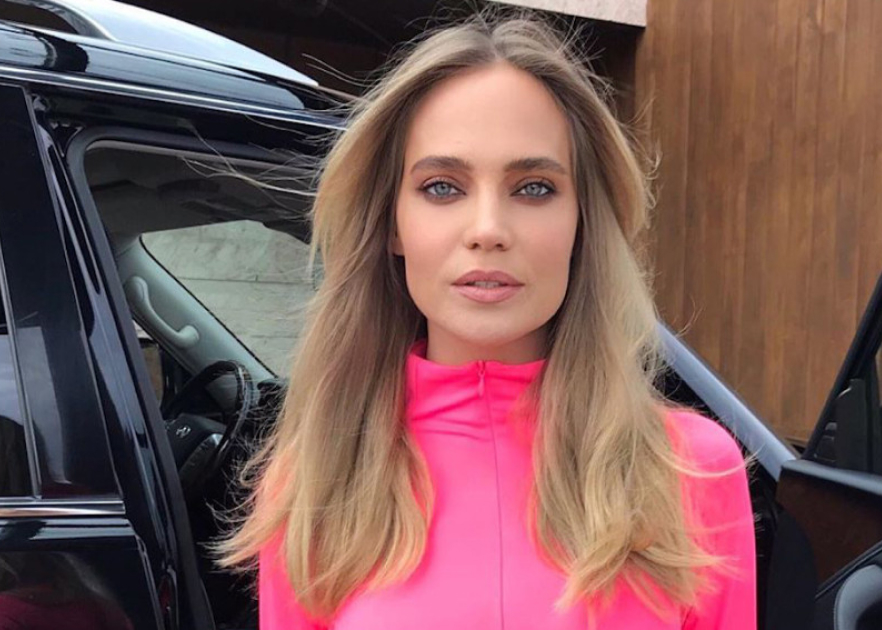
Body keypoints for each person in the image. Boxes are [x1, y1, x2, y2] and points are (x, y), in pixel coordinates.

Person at [213, 14, 757, 630]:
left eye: (534, 188)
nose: (489, 230)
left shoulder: (692, 470)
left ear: (583, 223)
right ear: (392, 224)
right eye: (443, 187)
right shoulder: (313, 479)